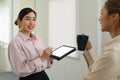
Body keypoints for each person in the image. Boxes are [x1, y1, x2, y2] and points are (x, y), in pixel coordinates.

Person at [8, 7, 53, 80]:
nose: (31, 23)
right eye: (28, 19)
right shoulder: (15, 43)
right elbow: (21, 70)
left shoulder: (38, 39)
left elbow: (45, 65)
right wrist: (42, 58)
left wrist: (50, 58)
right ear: (19, 21)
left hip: (43, 76)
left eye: (34, 19)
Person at [82, 0, 120, 80]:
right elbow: (99, 71)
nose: (99, 19)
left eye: (101, 13)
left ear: (113, 16)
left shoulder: (112, 53)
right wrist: (89, 50)